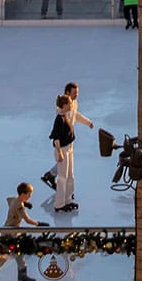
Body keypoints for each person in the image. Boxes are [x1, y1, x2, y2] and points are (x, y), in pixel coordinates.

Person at [0, 180, 44, 281]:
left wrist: (25, 203)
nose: (30, 196)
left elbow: (8, 199)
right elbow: (27, 220)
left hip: (11, 231)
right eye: (29, 194)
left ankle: (22, 275)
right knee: (4, 256)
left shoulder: (15, 199)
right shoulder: (19, 206)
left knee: (19, 254)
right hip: (10, 233)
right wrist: (39, 224)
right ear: (23, 194)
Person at [44, 84, 93, 212]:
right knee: (62, 176)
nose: (76, 97)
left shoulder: (70, 108)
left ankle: (68, 198)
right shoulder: (59, 117)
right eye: (74, 93)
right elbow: (56, 138)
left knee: (70, 175)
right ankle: (60, 203)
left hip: (69, 146)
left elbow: (76, 116)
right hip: (63, 148)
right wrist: (59, 152)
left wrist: (88, 122)